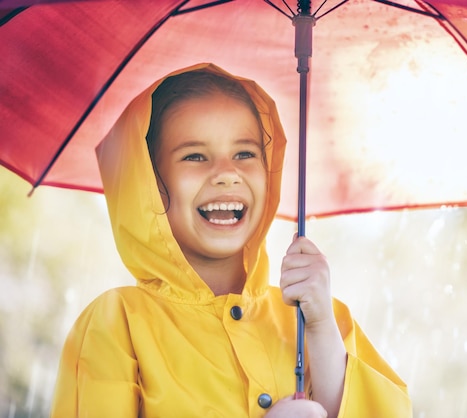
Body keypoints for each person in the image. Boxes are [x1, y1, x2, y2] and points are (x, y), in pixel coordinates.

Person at [50, 63, 411, 417]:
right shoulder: (118, 324)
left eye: (245, 153)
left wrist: (321, 334)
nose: (227, 174)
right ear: (149, 184)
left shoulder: (317, 317)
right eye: (194, 156)